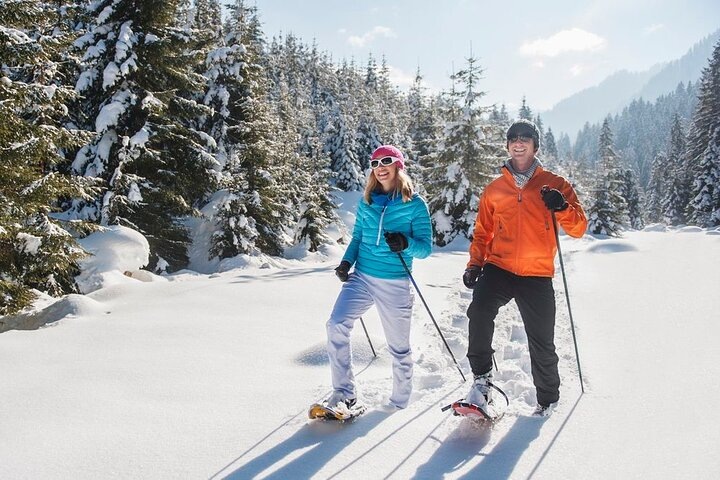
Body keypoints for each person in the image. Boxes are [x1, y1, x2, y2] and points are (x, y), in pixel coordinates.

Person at [462, 119, 587, 415]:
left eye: (526, 137)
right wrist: (475, 264)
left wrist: (562, 207)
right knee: (479, 311)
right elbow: (483, 231)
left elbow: (579, 228)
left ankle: (548, 401)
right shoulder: (494, 189)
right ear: (507, 145)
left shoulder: (556, 184)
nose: (519, 142)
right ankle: (481, 381)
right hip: (499, 267)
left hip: (537, 273)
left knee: (542, 341)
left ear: (535, 145)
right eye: (513, 138)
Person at [325, 145, 432, 410]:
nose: (380, 167)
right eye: (375, 163)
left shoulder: (415, 204)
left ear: (398, 165)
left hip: (394, 281)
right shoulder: (367, 200)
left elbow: (426, 249)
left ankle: (399, 403)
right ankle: (344, 393)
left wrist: (405, 242)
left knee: (398, 348)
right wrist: (346, 262)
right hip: (361, 277)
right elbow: (359, 237)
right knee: (336, 324)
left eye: (386, 161)